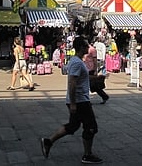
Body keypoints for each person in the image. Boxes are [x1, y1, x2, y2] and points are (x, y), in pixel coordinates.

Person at [40, 36, 103, 164]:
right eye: (86, 45)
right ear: (81, 47)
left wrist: (96, 78)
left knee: (73, 126)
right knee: (91, 127)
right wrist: (73, 103)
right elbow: (72, 83)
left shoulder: (78, 61)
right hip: (80, 101)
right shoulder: (76, 62)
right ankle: (87, 154)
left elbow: (82, 79)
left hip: (80, 100)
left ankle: (48, 141)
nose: (88, 48)